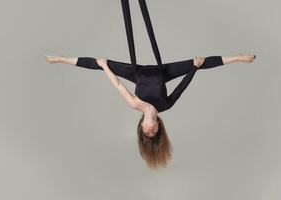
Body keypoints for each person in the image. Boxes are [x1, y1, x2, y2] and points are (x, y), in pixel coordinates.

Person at [44, 0, 256, 169]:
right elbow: (182, 87)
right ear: (158, 127)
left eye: (146, 132)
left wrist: (105, 66)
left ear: (142, 127)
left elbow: (118, 85)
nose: (150, 131)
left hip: (137, 74)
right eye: (154, 133)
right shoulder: (165, 105)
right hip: (162, 74)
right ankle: (237, 57)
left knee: (101, 65)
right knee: (199, 63)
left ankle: (62, 59)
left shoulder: (135, 104)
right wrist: (194, 68)